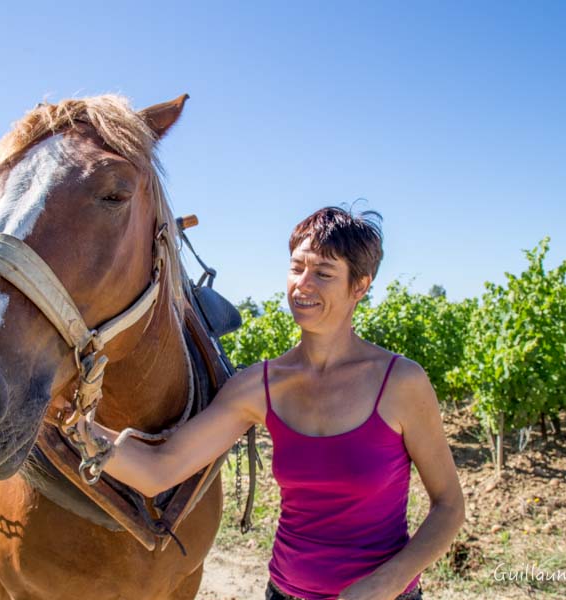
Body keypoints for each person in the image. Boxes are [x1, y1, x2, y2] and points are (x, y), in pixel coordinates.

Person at [72, 206, 465, 600]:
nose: (303, 285)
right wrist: (74, 425)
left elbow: (449, 505)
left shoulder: (400, 382)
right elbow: (160, 469)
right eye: (297, 268)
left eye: (324, 274)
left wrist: (387, 581)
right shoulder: (259, 386)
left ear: (360, 286)